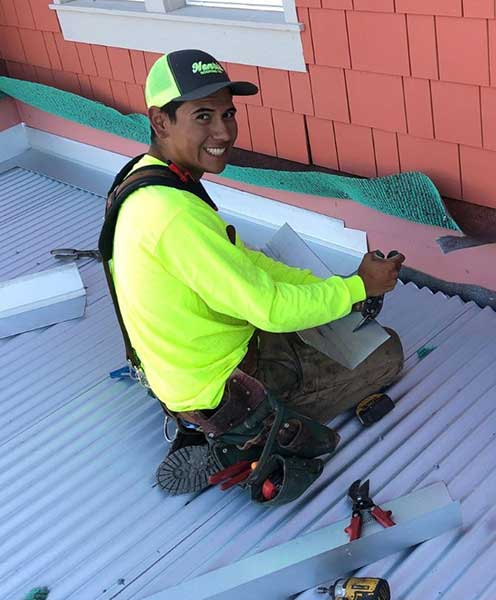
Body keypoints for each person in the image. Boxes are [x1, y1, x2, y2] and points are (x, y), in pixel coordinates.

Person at [104, 49, 405, 495]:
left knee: (323, 313)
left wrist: (342, 290)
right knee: (386, 354)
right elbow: (269, 308)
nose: (223, 131)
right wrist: (358, 286)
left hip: (181, 367)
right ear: (160, 120)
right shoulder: (172, 215)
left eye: (228, 113)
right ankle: (237, 440)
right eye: (202, 116)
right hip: (221, 387)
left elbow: (245, 261)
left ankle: (210, 422)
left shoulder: (148, 179)